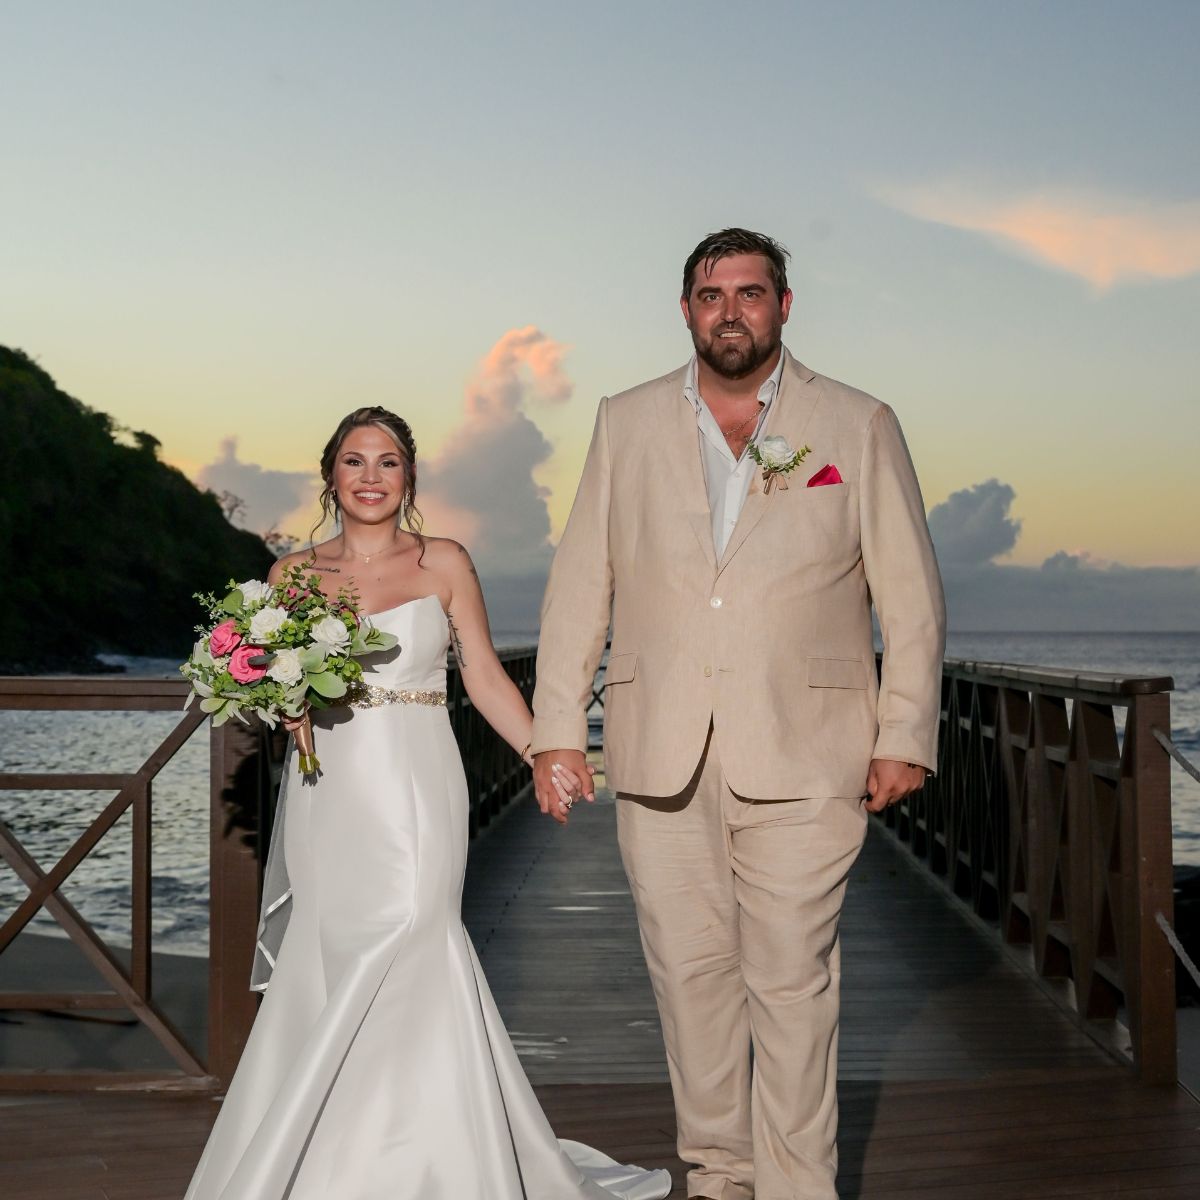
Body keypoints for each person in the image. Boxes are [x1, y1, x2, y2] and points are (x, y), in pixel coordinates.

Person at [531, 228, 946, 1199]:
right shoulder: (624, 421)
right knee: (690, 982)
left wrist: (906, 733)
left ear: (785, 306)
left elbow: (911, 596)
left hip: (811, 751)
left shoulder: (858, 422)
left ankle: (799, 1190)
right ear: (686, 310)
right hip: (658, 747)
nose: (730, 310)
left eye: (750, 293)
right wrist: (558, 729)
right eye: (711, 294)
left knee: (793, 982)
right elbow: (580, 581)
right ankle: (721, 1177)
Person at [185, 407, 671, 1200]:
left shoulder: (442, 561)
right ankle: (333, 1151)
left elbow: (480, 672)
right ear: (330, 475)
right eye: (354, 461)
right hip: (325, 787)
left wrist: (547, 753)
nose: (371, 476)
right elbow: (266, 687)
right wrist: (273, 700)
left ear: (409, 477)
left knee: (413, 931)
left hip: (416, 779)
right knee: (331, 946)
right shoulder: (289, 579)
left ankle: (428, 1153)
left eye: (387, 461)